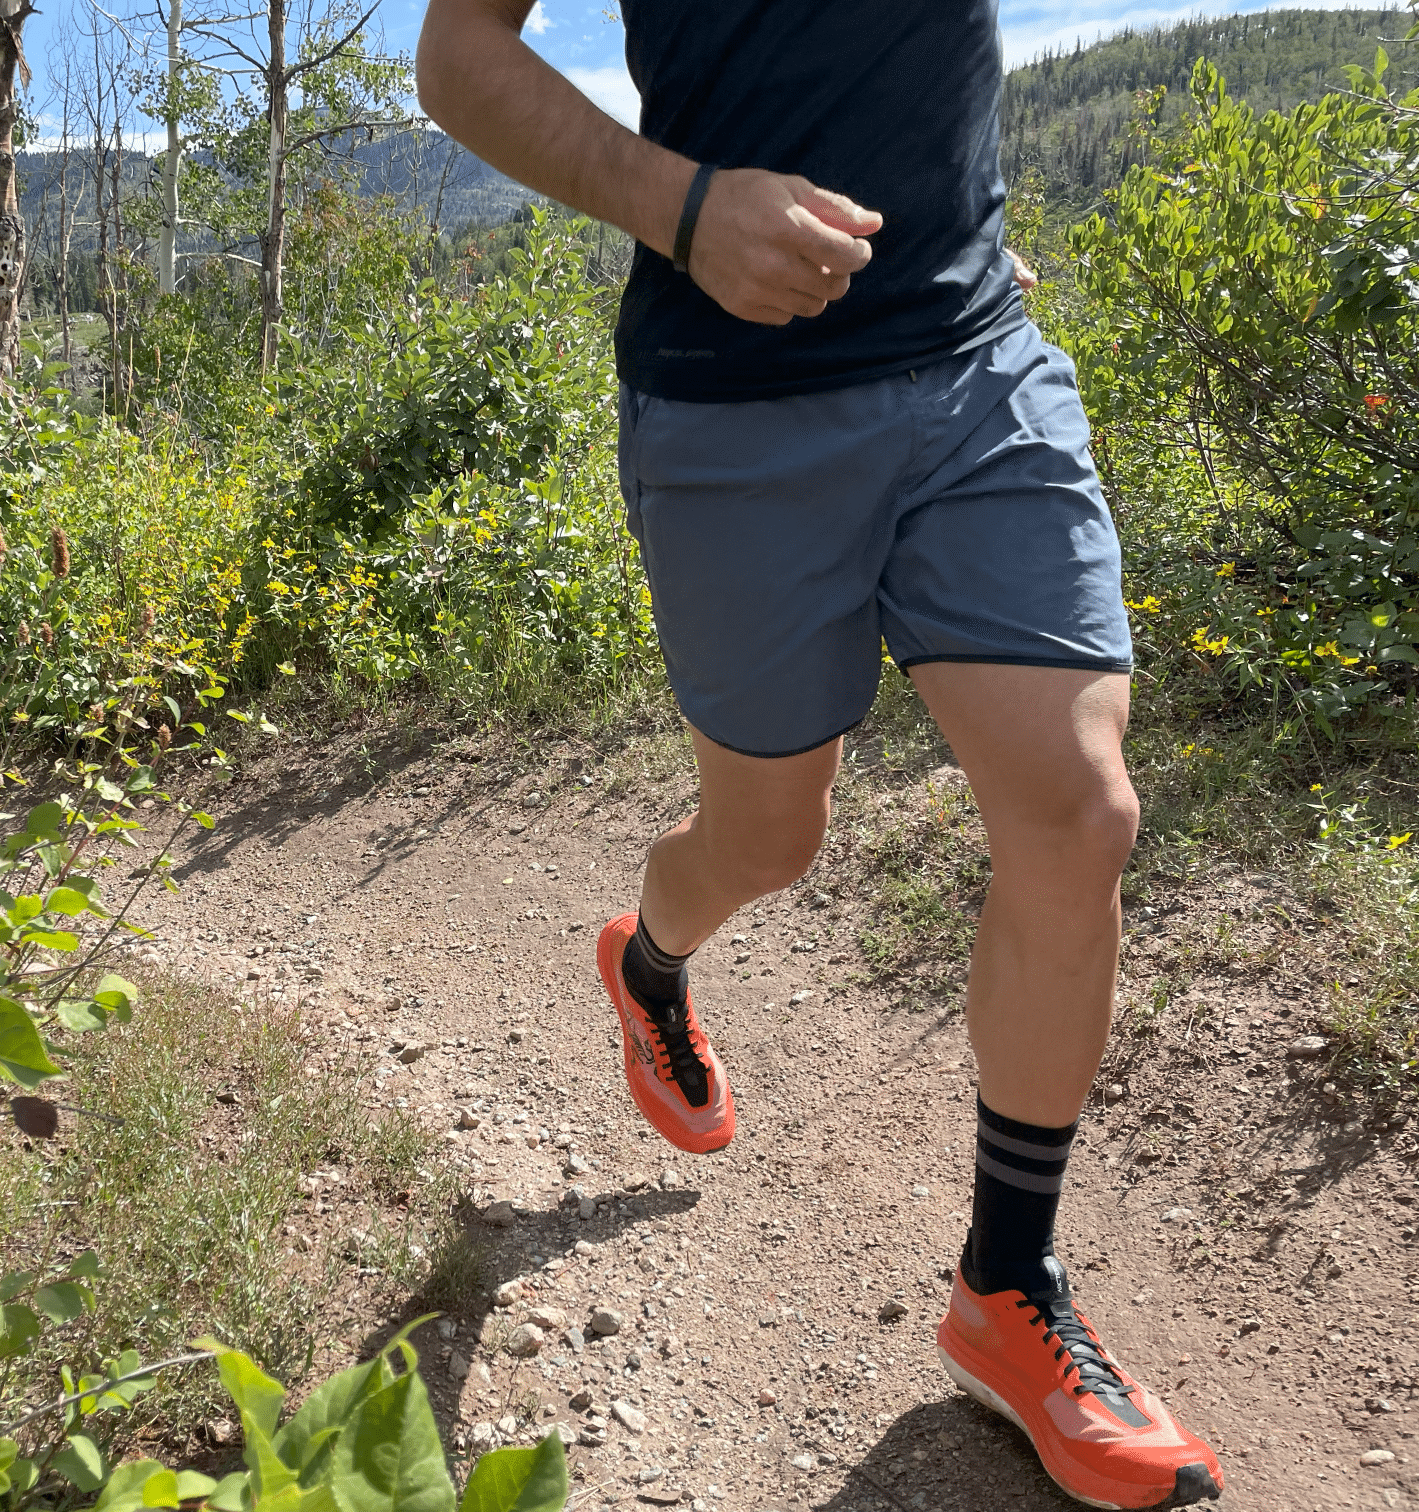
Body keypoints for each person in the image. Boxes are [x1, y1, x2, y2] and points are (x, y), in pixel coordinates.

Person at [415, 3, 1225, 1507]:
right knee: (772, 841)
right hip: (735, 408)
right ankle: (650, 961)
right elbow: (459, 54)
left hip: (979, 365)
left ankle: (1008, 1284)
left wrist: (960, 220)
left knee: (1080, 810)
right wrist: (689, 205)